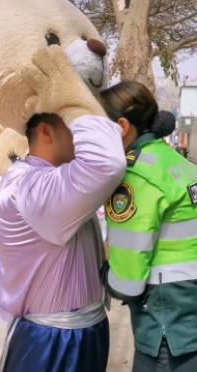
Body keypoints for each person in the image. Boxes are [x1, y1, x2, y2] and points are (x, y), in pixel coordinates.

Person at [0, 47, 127, 372]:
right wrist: (71, 97)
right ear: (46, 132)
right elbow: (106, 162)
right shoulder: (27, 187)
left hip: (82, 329)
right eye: (73, 125)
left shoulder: (52, 182)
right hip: (50, 340)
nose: (81, 136)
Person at [100, 81, 197, 372]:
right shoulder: (179, 163)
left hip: (166, 325)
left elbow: (127, 281)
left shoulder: (136, 178)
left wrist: (103, 275)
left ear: (122, 126)